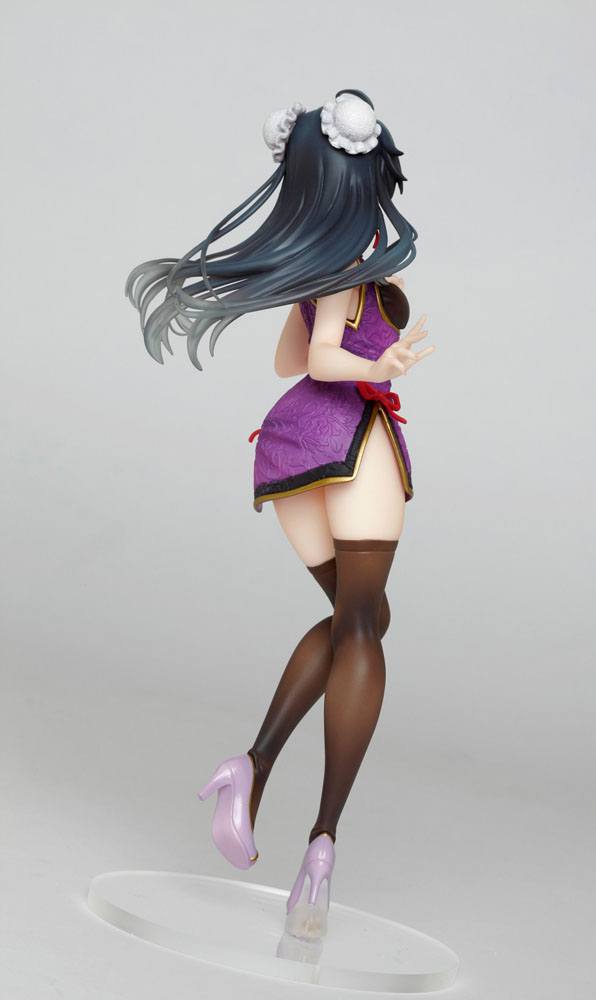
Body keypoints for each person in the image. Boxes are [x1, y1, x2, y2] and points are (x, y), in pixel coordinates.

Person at [126, 89, 435, 939]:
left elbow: (287, 360)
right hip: (348, 445)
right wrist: (381, 365)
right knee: (363, 627)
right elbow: (327, 357)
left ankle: (251, 765)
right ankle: (322, 842)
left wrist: (344, 345)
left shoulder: (316, 269)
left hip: (290, 450)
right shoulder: (352, 265)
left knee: (354, 618)